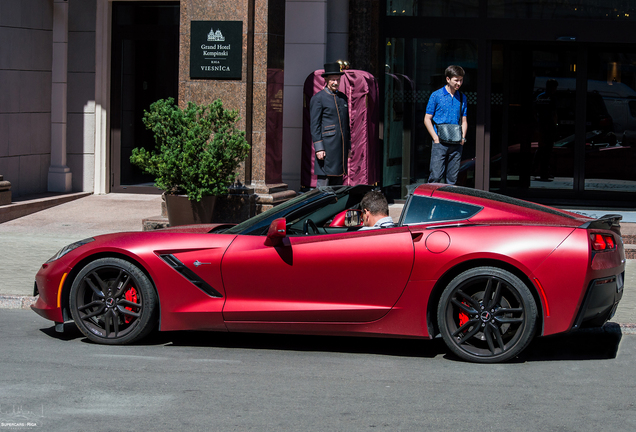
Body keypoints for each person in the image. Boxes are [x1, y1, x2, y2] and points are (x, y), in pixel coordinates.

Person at [423, 65, 468, 185]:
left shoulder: (462, 98)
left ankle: (447, 202)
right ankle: (431, 201)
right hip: (440, 141)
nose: (459, 83)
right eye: (456, 80)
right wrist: (435, 138)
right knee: (435, 176)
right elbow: (427, 119)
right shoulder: (436, 95)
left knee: (452, 179)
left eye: (461, 80)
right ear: (448, 79)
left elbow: (464, 120)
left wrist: (462, 138)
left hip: (456, 142)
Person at [310, 62, 351, 186]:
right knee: (324, 183)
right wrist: (319, 148)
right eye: (333, 79)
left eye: (338, 79)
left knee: (338, 182)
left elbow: (346, 125)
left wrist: (348, 146)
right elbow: (314, 125)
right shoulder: (318, 98)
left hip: (340, 148)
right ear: (326, 80)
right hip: (327, 148)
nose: (335, 82)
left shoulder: (343, 98)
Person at [533, 79, 558, 182]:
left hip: (540, 126)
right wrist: (556, 125)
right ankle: (544, 172)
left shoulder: (539, 97)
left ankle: (535, 168)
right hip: (548, 126)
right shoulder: (552, 98)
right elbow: (554, 113)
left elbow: (534, 111)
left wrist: (537, 123)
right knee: (547, 150)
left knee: (541, 148)